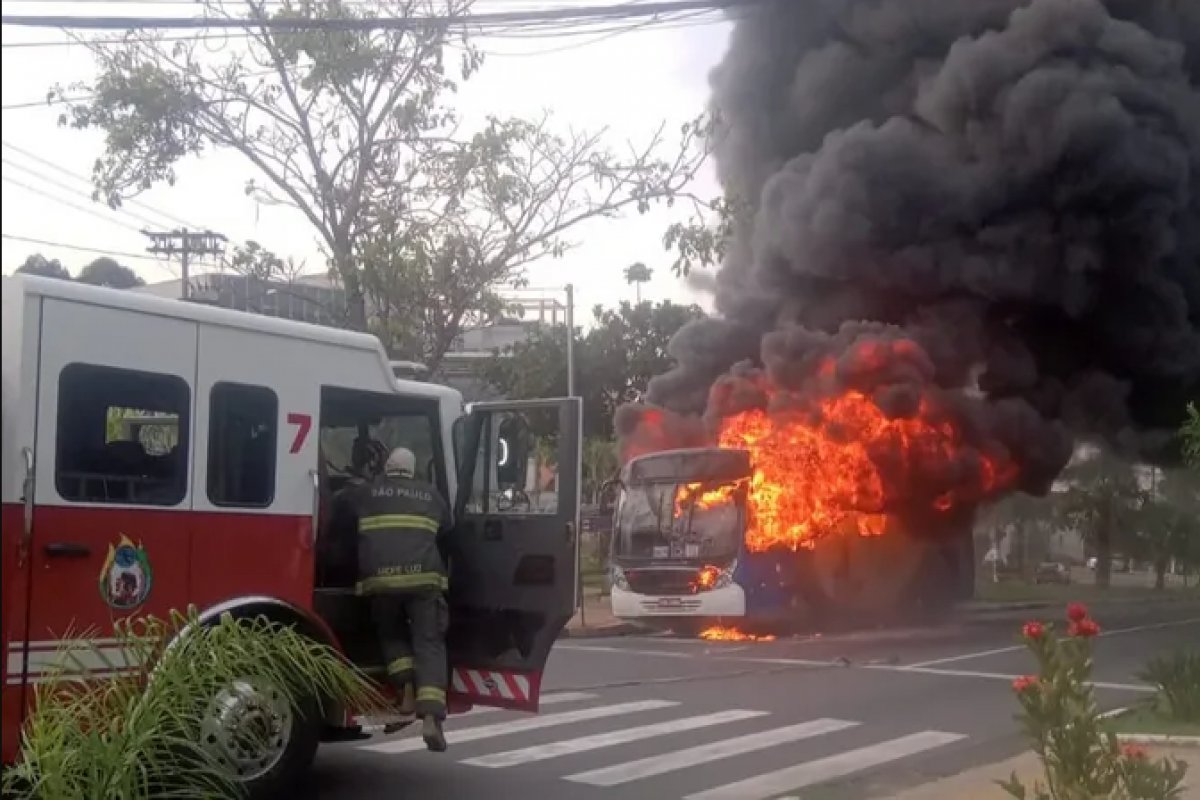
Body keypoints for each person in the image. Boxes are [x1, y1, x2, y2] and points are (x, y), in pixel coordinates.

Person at [342, 446, 452, 752]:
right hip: (424, 582)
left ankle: (405, 689)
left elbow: (342, 515)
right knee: (428, 642)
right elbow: (449, 527)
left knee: (391, 631)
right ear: (412, 469)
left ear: (388, 468)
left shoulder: (366, 493)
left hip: (381, 582)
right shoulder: (431, 495)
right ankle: (431, 716)